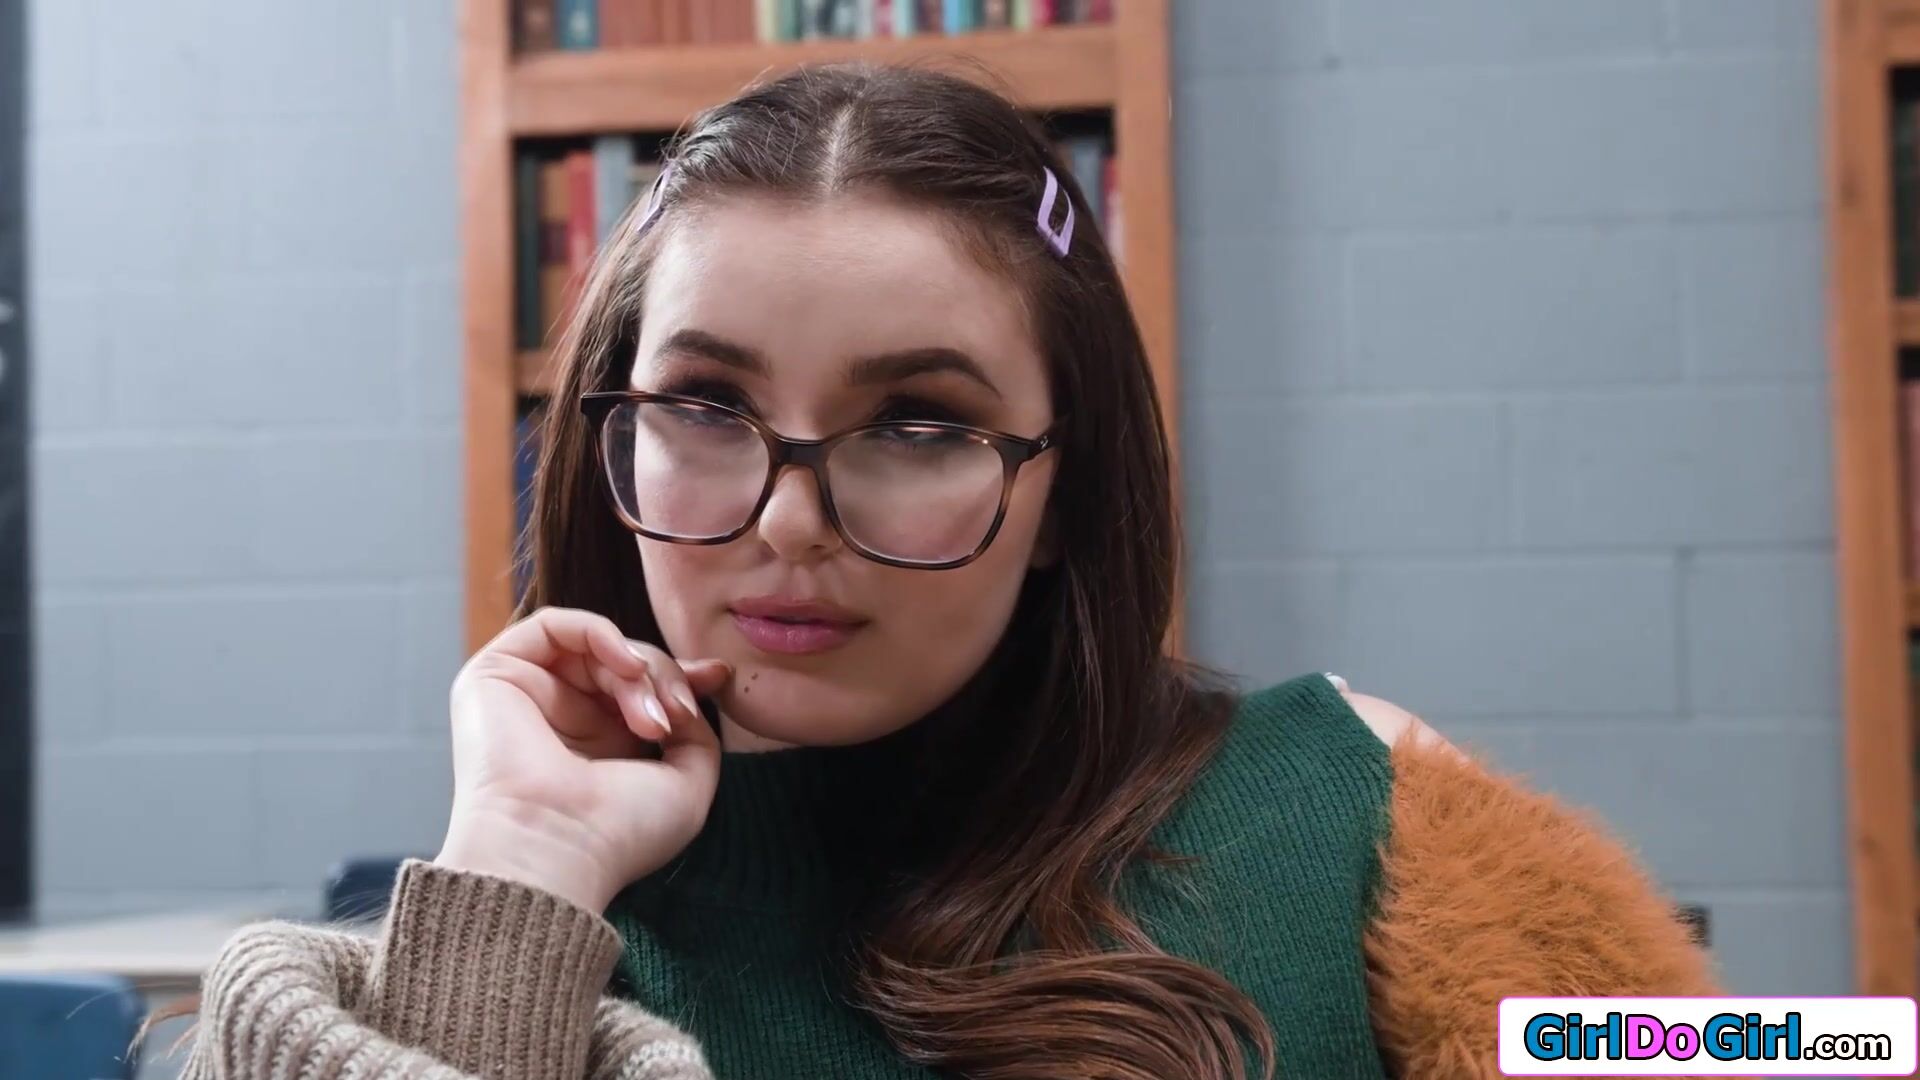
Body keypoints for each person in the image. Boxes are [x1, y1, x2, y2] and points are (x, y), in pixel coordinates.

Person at [147, 63, 1720, 1080]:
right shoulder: (525, 901)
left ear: (1067, 484)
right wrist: (525, 863)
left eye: (917, 423)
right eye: (705, 406)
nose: (788, 521)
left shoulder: (1352, 809)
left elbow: (1775, 1051)